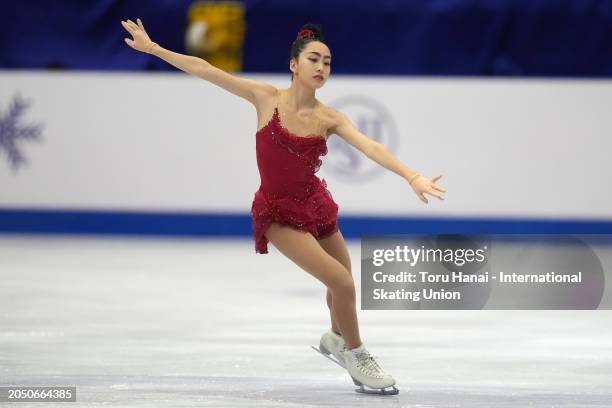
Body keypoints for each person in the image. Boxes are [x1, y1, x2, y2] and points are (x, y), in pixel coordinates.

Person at [121, 18, 446, 395]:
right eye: (314, 59)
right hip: (278, 213)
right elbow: (206, 69)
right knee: (340, 281)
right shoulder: (265, 98)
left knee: (343, 283)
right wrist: (155, 49)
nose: (321, 68)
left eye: (327, 62)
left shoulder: (330, 117)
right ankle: (356, 355)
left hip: (317, 205)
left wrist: (411, 176)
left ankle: (335, 340)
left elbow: (371, 146)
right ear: (294, 65)